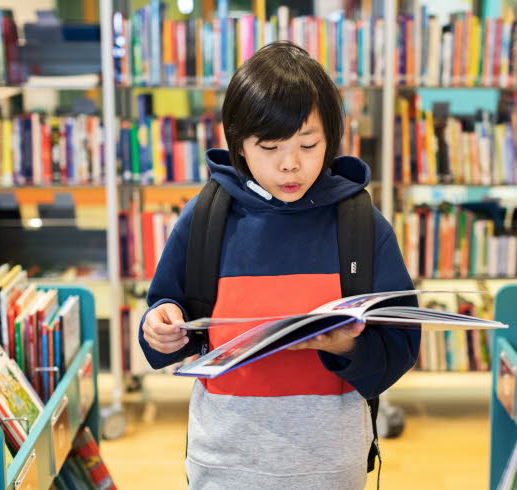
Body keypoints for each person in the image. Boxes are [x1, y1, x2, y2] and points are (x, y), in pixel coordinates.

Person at [139, 41, 420, 489]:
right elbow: (165, 317)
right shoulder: (207, 217)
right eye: (270, 146)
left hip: (332, 464)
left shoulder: (359, 223)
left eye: (308, 144)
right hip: (223, 461)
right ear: (240, 145)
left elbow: (400, 348)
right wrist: (160, 326)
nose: (291, 164)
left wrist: (345, 347)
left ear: (331, 137)